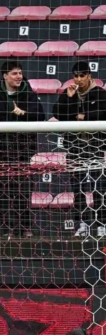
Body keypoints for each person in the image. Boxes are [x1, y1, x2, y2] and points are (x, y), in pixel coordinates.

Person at [0, 61, 45, 238]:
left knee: (24, 190)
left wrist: (23, 113)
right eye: (14, 73)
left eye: (20, 73)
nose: (18, 76)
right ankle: (7, 227)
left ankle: (24, 228)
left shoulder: (29, 94)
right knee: (5, 190)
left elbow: (41, 115)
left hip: (23, 149)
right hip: (1, 150)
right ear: (5, 76)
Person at [53, 62, 106, 237]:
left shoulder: (99, 93)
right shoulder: (69, 92)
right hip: (75, 146)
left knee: (99, 186)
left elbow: (102, 113)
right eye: (76, 75)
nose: (78, 79)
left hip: (96, 145)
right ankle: (82, 223)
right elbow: (58, 114)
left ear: (89, 76)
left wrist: (84, 116)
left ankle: (101, 223)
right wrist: (69, 98)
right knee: (78, 187)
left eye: (82, 75)